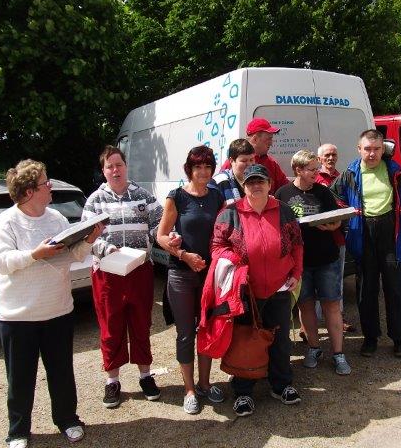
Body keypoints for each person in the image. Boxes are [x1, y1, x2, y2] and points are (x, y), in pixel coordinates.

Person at [0, 160, 104, 448]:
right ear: (29, 191)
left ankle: (67, 419)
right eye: (45, 183)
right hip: (18, 317)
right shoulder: (7, 221)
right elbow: (2, 262)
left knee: (61, 371)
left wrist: (90, 239)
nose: (50, 186)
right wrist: (35, 254)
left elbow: (72, 256)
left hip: (58, 310)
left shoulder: (55, 218)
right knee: (20, 378)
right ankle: (18, 431)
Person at [211, 164, 303, 417]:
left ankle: (281, 385)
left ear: (269, 184)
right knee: (245, 340)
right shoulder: (230, 213)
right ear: (243, 186)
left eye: (260, 181)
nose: (256, 186)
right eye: (250, 182)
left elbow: (297, 244)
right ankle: (243, 391)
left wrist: (296, 273)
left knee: (280, 339)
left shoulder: (284, 210)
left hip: (279, 287)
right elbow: (217, 247)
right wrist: (236, 261)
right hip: (245, 290)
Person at [82, 145, 163, 408]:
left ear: (126, 166)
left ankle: (145, 375)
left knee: (141, 323)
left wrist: (162, 237)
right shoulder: (95, 200)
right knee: (111, 327)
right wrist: (106, 248)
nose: (115, 170)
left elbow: (160, 225)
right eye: (110, 166)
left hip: (139, 269)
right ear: (103, 171)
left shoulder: (143, 196)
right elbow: (87, 236)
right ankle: (112, 381)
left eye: (119, 165)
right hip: (108, 274)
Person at [330, 129, 401, 358]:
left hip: (391, 235)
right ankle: (370, 339)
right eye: (367, 149)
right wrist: (346, 227)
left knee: (396, 289)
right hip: (363, 234)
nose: (372, 154)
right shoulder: (350, 173)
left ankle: (398, 339)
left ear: (382, 149)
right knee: (366, 291)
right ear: (359, 149)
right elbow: (334, 199)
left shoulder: (396, 171)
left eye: (376, 149)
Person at [156, 145, 225, 414]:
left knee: (206, 329)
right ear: (189, 169)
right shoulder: (177, 197)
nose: (203, 172)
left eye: (208, 167)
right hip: (181, 274)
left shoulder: (217, 196)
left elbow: (223, 232)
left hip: (209, 274)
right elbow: (161, 236)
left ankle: (205, 384)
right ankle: (189, 390)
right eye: (198, 167)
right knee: (185, 333)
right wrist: (183, 255)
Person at [275, 150, 351, 375]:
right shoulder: (283, 193)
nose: (316, 174)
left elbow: (336, 219)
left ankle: (338, 354)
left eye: (317, 169)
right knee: (305, 305)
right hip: (299, 262)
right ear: (298, 170)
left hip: (326, 258)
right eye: (311, 170)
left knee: (331, 305)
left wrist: (335, 225)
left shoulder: (323, 191)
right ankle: (314, 348)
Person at [315, 144, 353, 333]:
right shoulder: (314, 178)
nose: (331, 158)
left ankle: (339, 317)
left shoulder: (343, 178)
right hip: (316, 239)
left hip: (338, 237)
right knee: (314, 283)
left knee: (338, 280)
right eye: (327, 155)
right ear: (319, 159)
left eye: (334, 155)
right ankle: (314, 321)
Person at [219, 118, 289, 195]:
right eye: (269, 139)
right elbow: (221, 188)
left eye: (251, 160)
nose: (271, 143)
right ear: (255, 139)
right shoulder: (233, 162)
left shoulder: (271, 163)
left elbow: (286, 189)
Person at [208, 138, 255, 205]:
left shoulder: (259, 180)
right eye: (244, 161)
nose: (249, 164)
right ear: (231, 161)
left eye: (251, 160)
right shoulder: (218, 183)